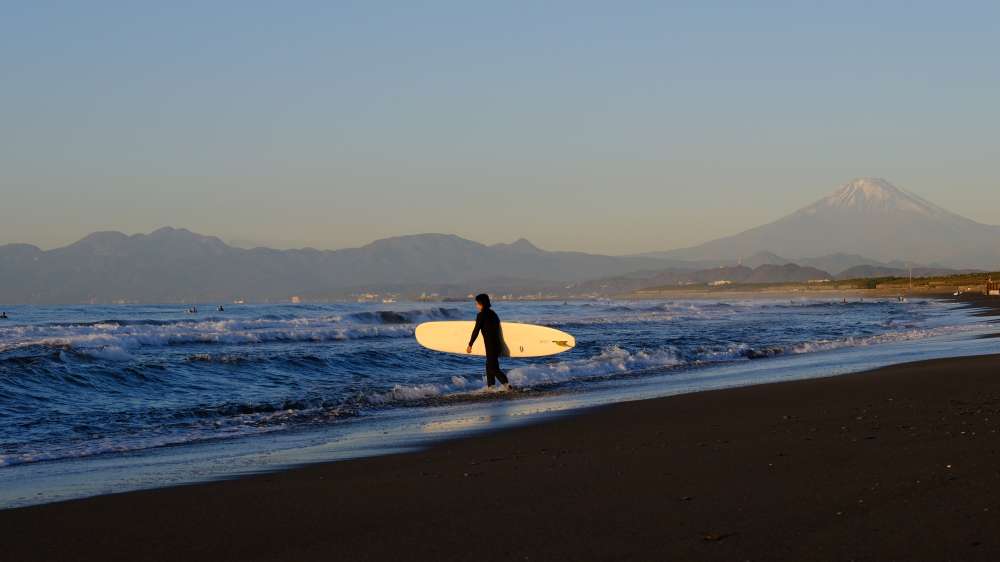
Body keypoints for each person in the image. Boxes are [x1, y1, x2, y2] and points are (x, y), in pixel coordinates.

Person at [466, 293, 511, 391]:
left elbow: (476, 330)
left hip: (490, 345)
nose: (476, 305)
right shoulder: (493, 314)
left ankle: (507, 385)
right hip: (498, 344)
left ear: (481, 303)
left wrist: (470, 344)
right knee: (489, 365)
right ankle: (491, 387)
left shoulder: (481, 315)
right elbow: (499, 329)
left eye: (477, 303)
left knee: (493, 368)